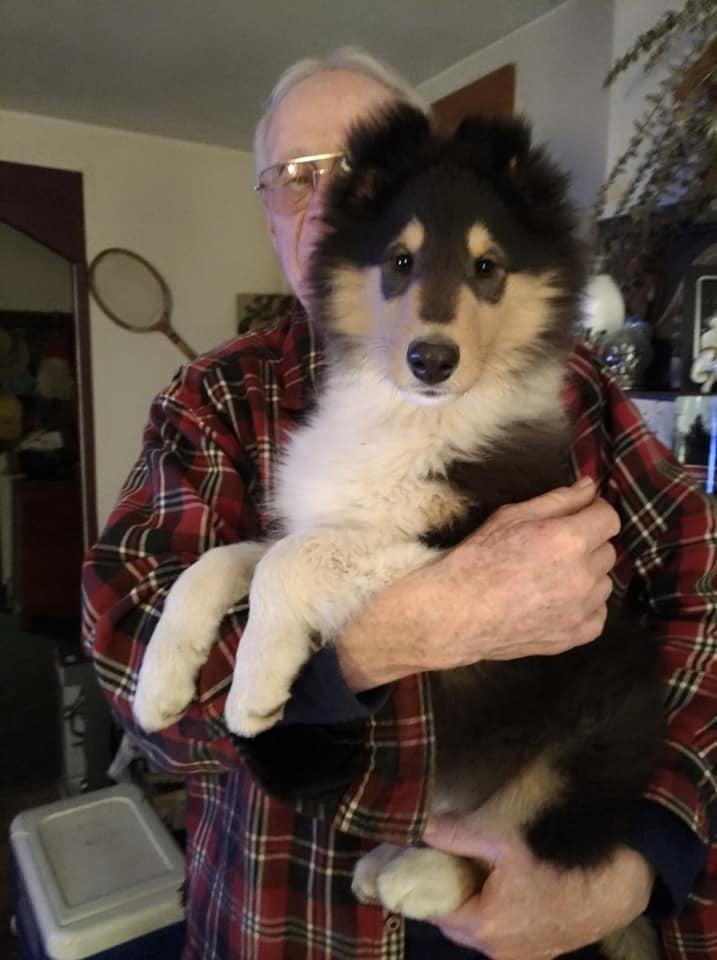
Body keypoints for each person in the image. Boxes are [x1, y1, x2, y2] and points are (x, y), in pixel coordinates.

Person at [81, 47, 717, 960]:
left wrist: (634, 865)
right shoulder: (212, 398)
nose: (328, 200)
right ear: (267, 210)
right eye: (294, 177)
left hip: (528, 880)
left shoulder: (572, 390)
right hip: (289, 920)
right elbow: (131, 671)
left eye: (353, 170)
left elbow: (703, 593)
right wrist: (377, 642)